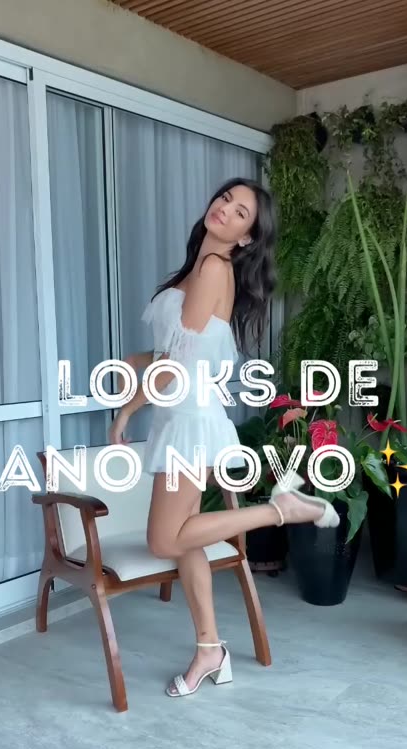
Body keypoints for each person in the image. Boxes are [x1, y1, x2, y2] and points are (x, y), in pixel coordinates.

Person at [108, 178, 339, 698]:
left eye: (240, 213)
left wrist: (126, 412)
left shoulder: (214, 268)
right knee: (185, 537)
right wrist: (133, 362)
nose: (225, 210)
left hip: (188, 421)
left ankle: (280, 510)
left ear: (246, 237)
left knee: (164, 540)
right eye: (226, 200)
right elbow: (173, 352)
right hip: (180, 418)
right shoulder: (196, 268)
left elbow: (177, 365)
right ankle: (210, 650)